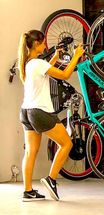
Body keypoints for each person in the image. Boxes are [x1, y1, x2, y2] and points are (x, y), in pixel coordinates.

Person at [18, 30, 84, 202]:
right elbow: (64, 75)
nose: (45, 45)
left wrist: (55, 57)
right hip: (40, 112)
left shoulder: (29, 63)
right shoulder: (38, 63)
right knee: (66, 143)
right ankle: (51, 179)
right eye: (43, 43)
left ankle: (28, 191)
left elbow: (45, 71)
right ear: (36, 44)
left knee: (30, 152)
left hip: (26, 111)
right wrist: (76, 55)